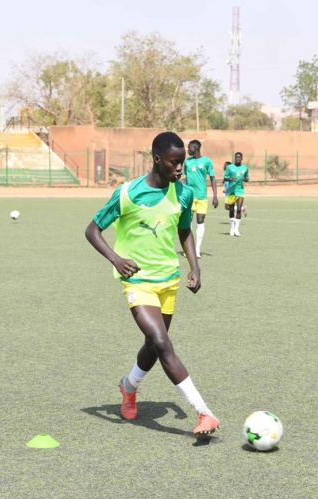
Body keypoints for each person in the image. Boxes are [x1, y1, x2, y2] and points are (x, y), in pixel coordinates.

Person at [85, 131, 220, 438]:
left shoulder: (183, 193)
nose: (180, 168)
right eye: (174, 162)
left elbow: (184, 231)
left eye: (182, 162)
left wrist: (195, 266)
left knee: (154, 345)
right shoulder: (128, 193)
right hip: (138, 282)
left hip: (169, 280)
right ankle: (204, 412)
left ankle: (128, 386)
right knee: (161, 342)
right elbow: (92, 230)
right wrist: (116, 259)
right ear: (157, 159)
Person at [183, 140, 218, 257]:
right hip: (190, 196)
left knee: (200, 220)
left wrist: (215, 196)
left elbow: (212, 179)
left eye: (189, 148)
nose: (188, 150)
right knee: (188, 221)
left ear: (196, 148)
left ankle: (197, 249)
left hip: (202, 196)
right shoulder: (187, 162)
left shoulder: (207, 161)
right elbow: (185, 178)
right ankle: (189, 248)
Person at [224, 152, 249, 236]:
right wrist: (230, 179)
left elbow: (247, 179)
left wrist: (245, 179)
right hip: (231, 191)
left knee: (238, 209)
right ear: (234, 158)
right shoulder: (229, 167)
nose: (237, 159)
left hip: (240, 191)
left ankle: (236, 229)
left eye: (239, 157)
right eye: (236, 157)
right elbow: (225, 178)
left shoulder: (245, 168)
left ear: (242, 158)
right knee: (231, 209)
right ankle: (232, 227)